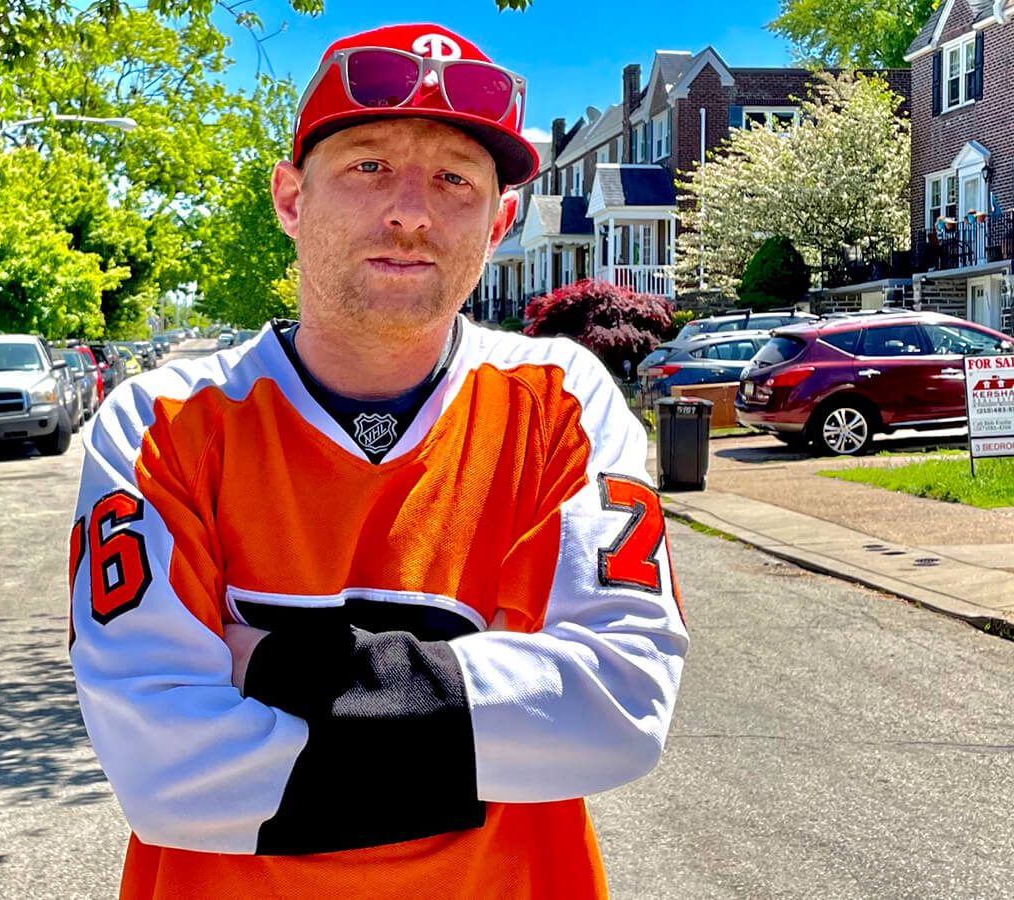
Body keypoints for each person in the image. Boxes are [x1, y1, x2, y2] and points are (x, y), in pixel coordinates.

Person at [67, 23, 688, 900]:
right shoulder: (160, 424)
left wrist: (270, 668)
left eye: (455, 178)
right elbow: (165, 777)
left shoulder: (564, 404)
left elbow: (616, 711)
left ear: (499, 219)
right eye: (366, 165)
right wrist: (490, 727)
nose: (411, 210)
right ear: (290, 199)